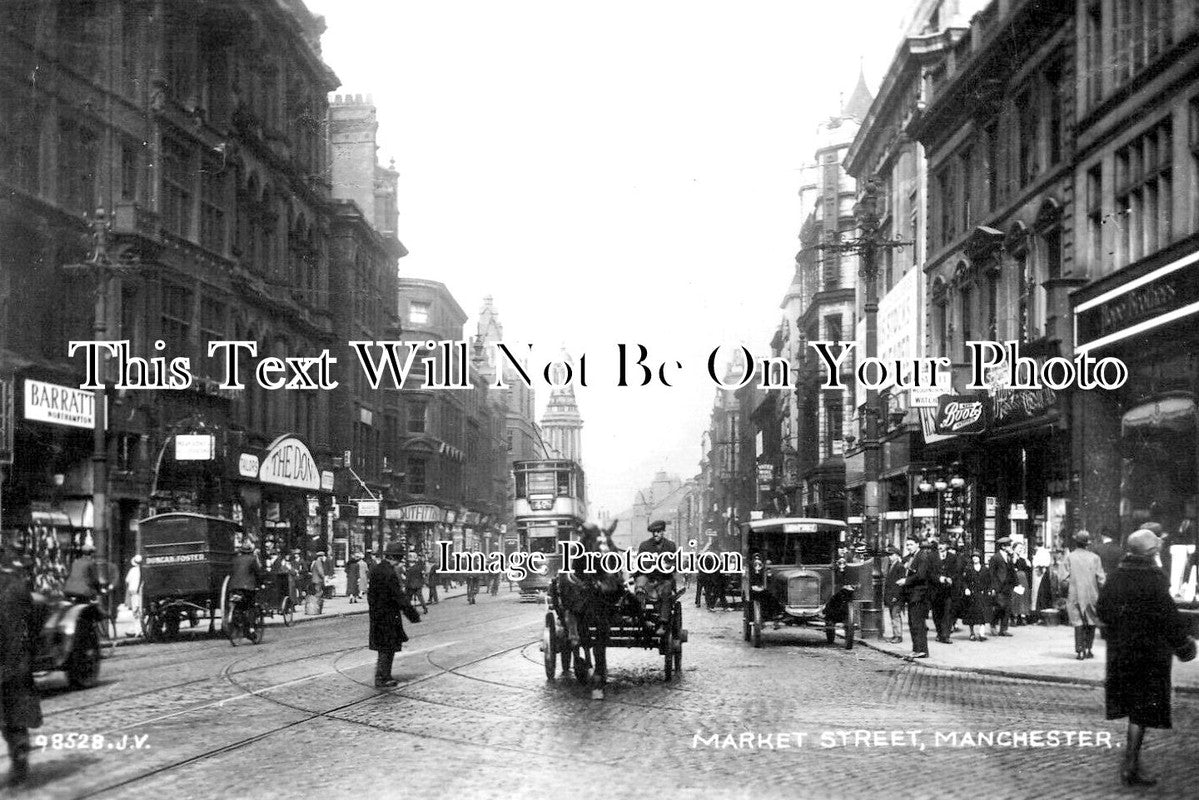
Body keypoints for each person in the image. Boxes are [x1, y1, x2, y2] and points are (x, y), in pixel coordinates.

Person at [1097, 529, 1196, 787]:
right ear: (1151, 553)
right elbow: (1170, 618)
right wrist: (1185, 646)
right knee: (1141, 712)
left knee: (1134, 710)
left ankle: (1132, 763)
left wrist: (1121, 627)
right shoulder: (1155, 579)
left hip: (1122, 654)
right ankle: (1130, 765)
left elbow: (1103, 611)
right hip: (1150, 656)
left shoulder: (1117, 576)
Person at [1, 549, 42, 787]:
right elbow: (36, 618)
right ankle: (20, 764)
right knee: (16, 717)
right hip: (18, 662)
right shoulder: (18, 586)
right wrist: (29, 652)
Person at [368, 542, 422, 688]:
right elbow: (398, 596)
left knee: (383, 647)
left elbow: (371, 595)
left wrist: (374, 610)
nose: (399, 561)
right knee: (388, 647)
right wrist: (413, 615)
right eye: (399, 558)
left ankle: (383, 675)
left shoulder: (376, 569)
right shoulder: (389, 573)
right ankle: (383, 677)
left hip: (377, 615)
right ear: (395, 557)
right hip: (389, 616)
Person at [1063, 530, 1105, 660]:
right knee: (1091, 621)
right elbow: (1101, 579)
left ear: (1076, 543)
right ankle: (1088, 649)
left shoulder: (1070, 557)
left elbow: (1063, 578)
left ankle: (1080, 651)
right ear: (1087, 544)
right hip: (1091, 594)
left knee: (1078, 622)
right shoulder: (1095, 558)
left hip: (1074, 594)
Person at [899, 538, 936, 659]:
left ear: (917, 544)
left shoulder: (922, 556)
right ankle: (916, 649)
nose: (908, 547)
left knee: (917, 623)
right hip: (913, 595)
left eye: (911, 544)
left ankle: (922, 650)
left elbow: (921, 575)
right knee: (913, 623)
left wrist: (906, 581)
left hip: (920, 595)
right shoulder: (913, 556)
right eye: (907, 544)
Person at [229, 542, 264, 632]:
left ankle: (238, 620)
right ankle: (251, 628)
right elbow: (258, 573)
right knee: (251, 606)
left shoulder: (235, 559)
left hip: (234, 587)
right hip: (247, 587)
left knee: (239, 605)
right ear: (250, 551)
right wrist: (261, 583)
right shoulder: (252, 559)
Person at [959, 552, 993, 641]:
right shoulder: (968, 569)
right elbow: (964, 581)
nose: (975, 558)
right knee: (971, 615)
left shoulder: (985, 569)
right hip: (972, 595)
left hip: (982, 594)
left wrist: (989, 590)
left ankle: (982, 633)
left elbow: (989, 581)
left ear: (980, 558)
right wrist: (966, 589)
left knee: (983, 614)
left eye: (976, 557)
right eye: (973, 557)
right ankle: (972, 633)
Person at [987, 537, 1018, 636]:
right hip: (999, 586)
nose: (1010, 547)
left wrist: (1016, 583)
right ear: (1003, 547)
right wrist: (992, 587)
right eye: (1008, 545)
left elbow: (1012, 571)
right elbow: (991, 574)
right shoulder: (995, 557)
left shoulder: (1009, 557)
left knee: (1007, 607)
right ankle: (993, 625)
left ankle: (1003, 629)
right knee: (999, 606)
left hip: (1008, 586)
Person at [883, 543, 908, 644]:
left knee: (895, 615)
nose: (890, 557)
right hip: (892, 596)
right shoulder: (892, 565)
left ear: (897, 555)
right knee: (893, 616)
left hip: (896, 597)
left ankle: (898, 636)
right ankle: (895, 635)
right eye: (889, 555)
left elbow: (900, 584)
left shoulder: (899, 566)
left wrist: (895, 597)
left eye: (892, 555)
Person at [1011, 541, 1032, 625]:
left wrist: (1026, 560)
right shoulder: (1012, 557)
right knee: (1015, 597)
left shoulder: (1024, 559)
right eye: (1019, 548)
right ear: (1014, 549)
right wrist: (1015, 558)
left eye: (1022, 548)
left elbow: (1029, 568)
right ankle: (1014, 616)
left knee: (1024, 597)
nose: (1020, 550)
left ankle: (1023, 616)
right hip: (1015, 579)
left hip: (1024, 580)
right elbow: (1012, 566)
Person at [123, 555, 143, 625]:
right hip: (141, 591)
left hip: (134, 591)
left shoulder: (132, 570)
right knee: (140, 609)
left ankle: (138, 628)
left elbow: (127, 580)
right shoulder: (143, 570)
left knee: (135, 610)